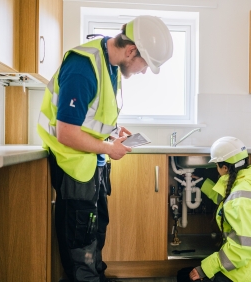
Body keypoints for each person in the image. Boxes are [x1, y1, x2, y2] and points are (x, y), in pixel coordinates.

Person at [37, 15, 173, 282]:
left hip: (92, 161)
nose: (144, 70)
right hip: (72, 163)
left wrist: (114, 131)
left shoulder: (111, 66)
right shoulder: (82, 67)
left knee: (97, 226)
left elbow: (93, 114)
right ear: (131, 50)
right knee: (80, 235)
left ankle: (96, 276)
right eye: (145, 64)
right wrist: (110, 149)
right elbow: (66, 133)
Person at [183, 136, 251, 282]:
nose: (217, 170)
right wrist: (202, 183)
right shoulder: (247, 182)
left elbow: (241, 249)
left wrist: (205, 268)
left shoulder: (242, 200)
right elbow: (226, 199)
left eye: (217, 166)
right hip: (250, 262)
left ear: (225, 167)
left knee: (186, 277)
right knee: (185, 274)